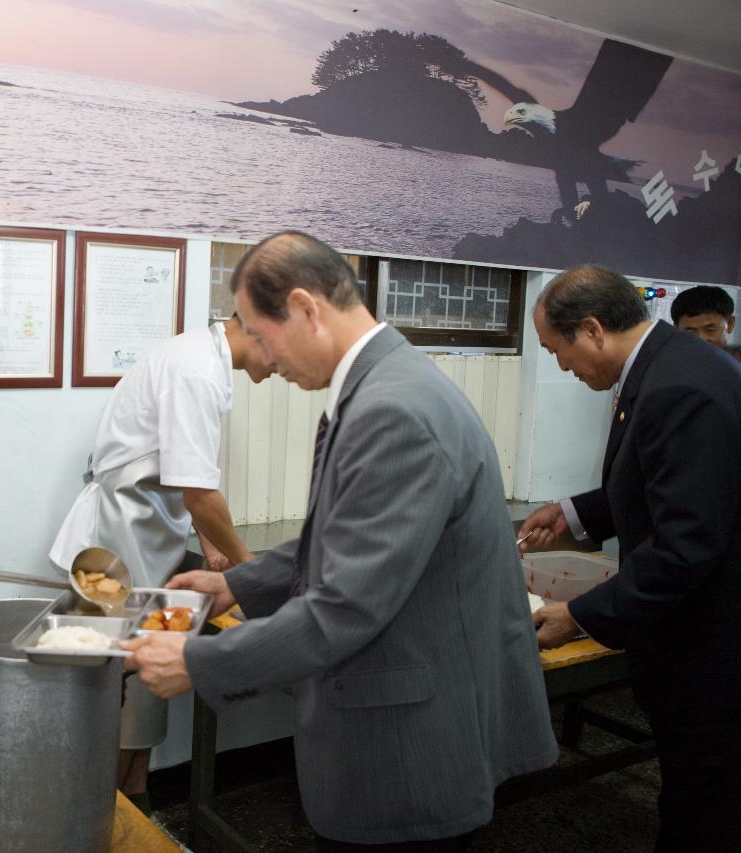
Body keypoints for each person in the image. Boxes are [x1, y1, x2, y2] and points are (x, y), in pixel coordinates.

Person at [123, 231, 557, 850]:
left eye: (260, 334)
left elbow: (346, 604)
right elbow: (340, 540)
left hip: (410, 744)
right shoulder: (381, 385)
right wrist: (234, 583)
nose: (265, 361)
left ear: (305, 309)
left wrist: (197, 661)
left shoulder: (393, 409)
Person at [519, 265, 741, 852]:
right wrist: (573, 513)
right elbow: (661, 482)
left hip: (712, 648)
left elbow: (685, 544)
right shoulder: (666, 368)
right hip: (694, 641)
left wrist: (581, 616)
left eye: (558, 351)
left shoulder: (680, 388)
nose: (563, 367)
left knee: (704, 806)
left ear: (591, 330)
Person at [49, 313, 274, 804]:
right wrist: (249, 569)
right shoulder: (195, 369)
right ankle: (100, 818)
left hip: (145, 540)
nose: (284, 364)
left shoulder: (201, 360)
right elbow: (199, 493)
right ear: (259, 326)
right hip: (116, 547)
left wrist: (211, 542)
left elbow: (177, 469)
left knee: (144, 690)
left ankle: (137, 799)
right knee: (120, 693)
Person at [670, 284, 735, 349]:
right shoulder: (665, 358)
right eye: (690, 332)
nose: (701, 339)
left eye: (710, 330)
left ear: (730, 324)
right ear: (676, 329)